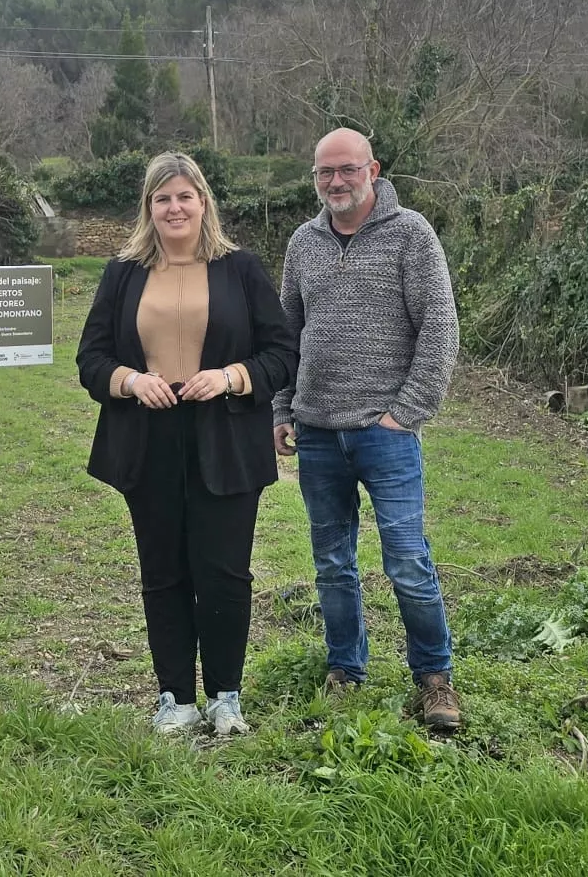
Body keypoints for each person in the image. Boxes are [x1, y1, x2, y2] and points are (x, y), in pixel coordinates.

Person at [76, 151, 298, 737]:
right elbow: (91, 359)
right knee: (164, 572)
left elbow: (281, 353)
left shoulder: (241, 269)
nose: (175, 207)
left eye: (185, 196)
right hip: (148, 439)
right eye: (162, 198)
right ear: (149, 208)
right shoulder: (122, 272)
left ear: (204, 202)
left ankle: (226, 695)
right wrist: (130, 380)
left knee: (224, 572)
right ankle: (173, 696)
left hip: (225, 436)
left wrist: (230, 377)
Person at [272, 127, 464, 732]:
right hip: (318, 433)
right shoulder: (303, 244)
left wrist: (404, 412)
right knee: (332, 563)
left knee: (407, 560)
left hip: (387, 434)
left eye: (347, 170)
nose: (335, 182)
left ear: (372, 170)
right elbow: (285, 336)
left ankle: (435, 677)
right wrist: (282, 409)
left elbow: (440, 327)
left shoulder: (412, 236)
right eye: (324, 172)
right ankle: (345, 669)